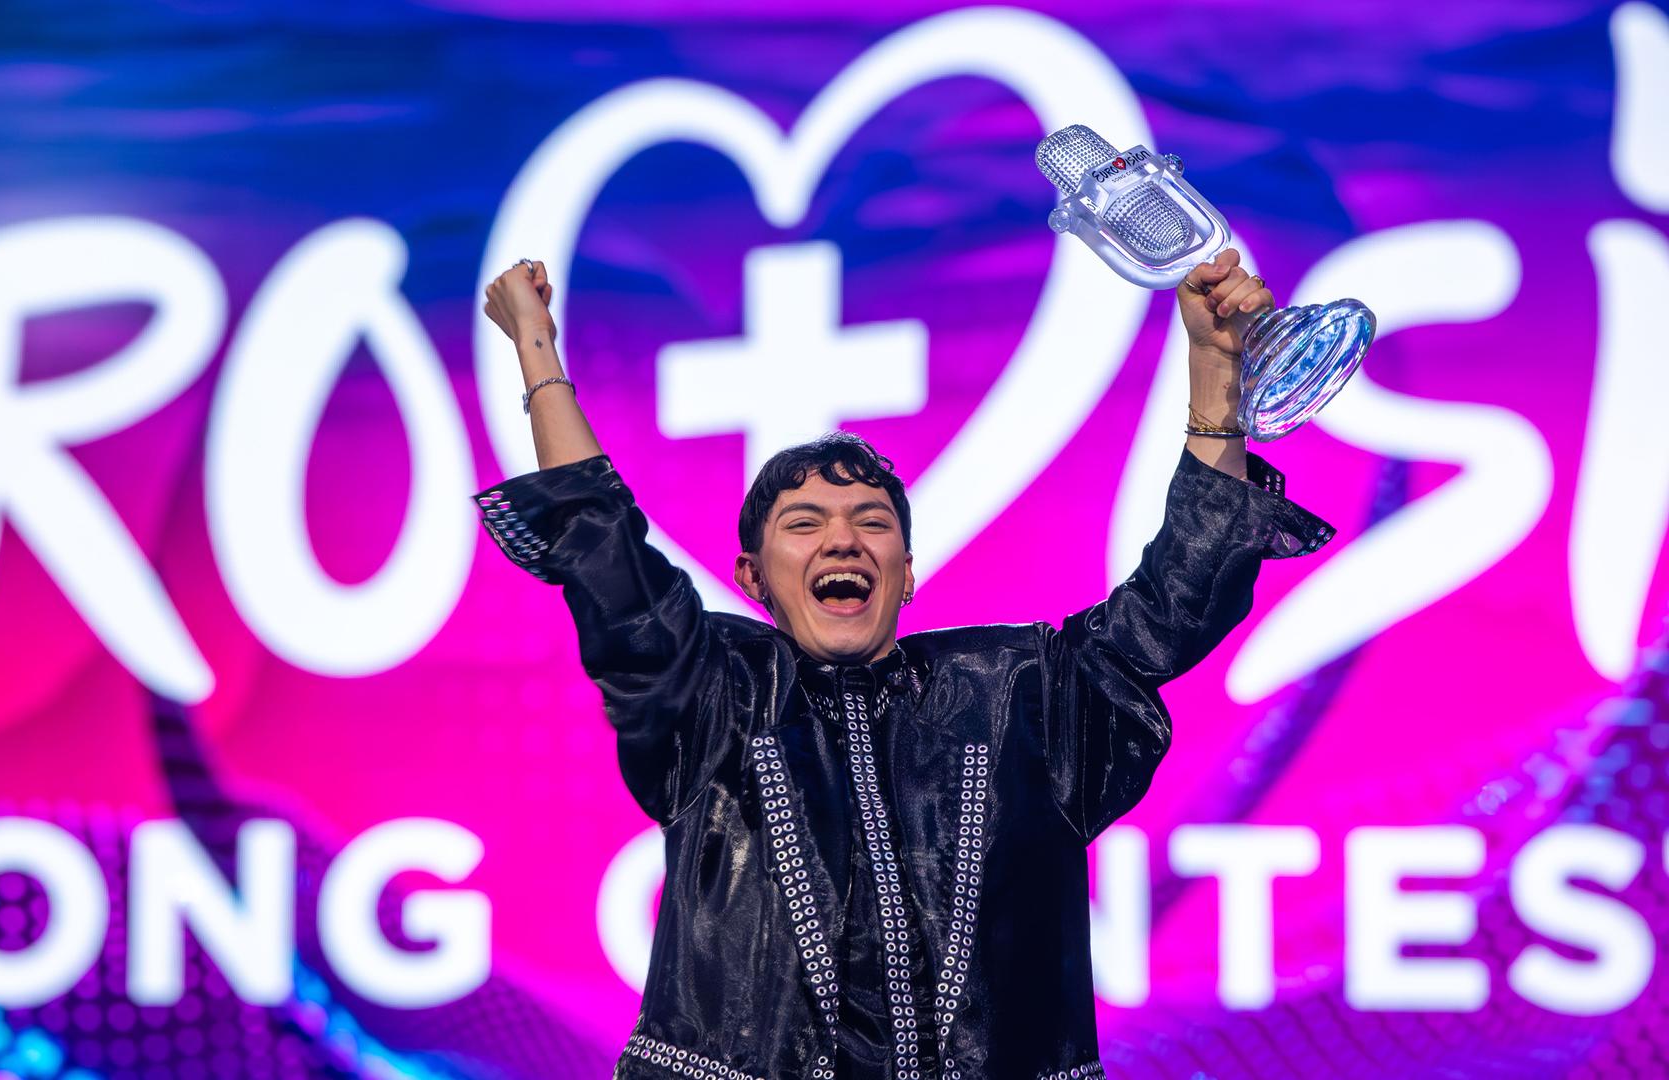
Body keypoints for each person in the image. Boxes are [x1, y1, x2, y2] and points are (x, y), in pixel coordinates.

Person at [476, 249, 1334, 1080]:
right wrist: (535, 349)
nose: (842, 538)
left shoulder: (1018, 692)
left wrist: (1216, 371)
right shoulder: (717, 696)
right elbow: (608, 560)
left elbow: (1174, 605)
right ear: (752, 577)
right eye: (804, 524)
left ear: (909, 573)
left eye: (871, 521)